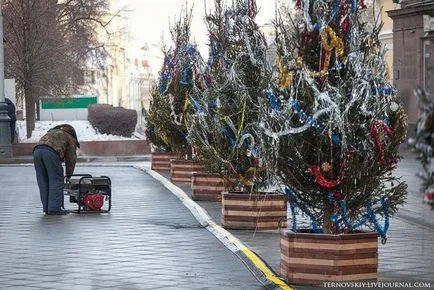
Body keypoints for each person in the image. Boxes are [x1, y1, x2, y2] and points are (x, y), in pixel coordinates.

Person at [33, 124, 80, 215]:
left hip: (37, 152)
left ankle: (47, 208)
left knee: (43, 181)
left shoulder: (52, 132)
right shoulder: (70, 137)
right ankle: (54, 209)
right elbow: (71, 159)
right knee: (56, 180)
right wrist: (69, 175)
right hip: (51, 153)